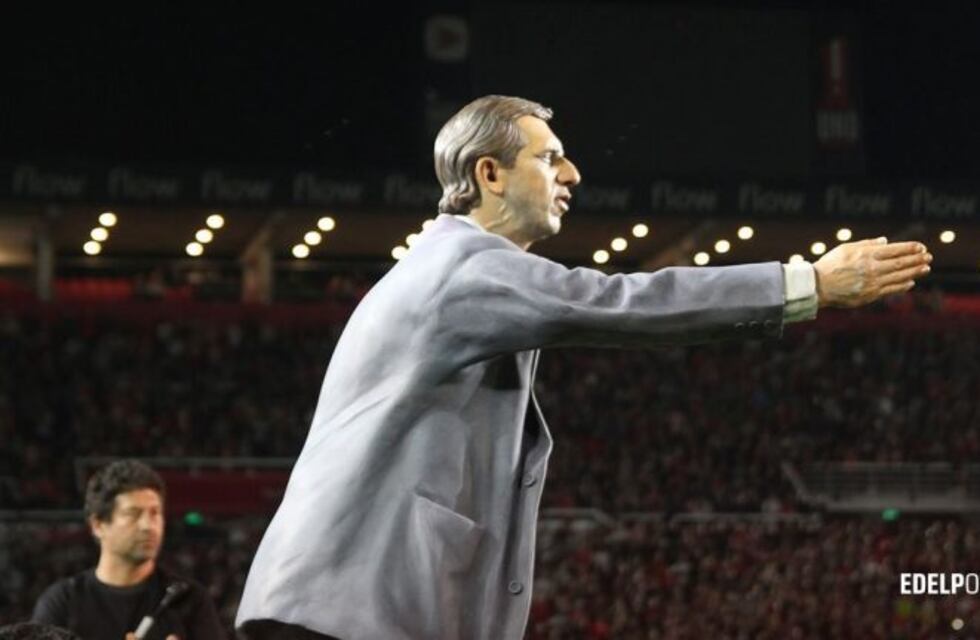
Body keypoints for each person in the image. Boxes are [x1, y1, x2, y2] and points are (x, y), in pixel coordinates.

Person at [236, 95, 932, 640]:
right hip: (346, 609)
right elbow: (620, 302)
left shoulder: (452, 270)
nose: (572, 175)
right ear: (489, 174)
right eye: (551, 158)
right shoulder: (462, 268)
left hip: (339, 603)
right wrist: (805, 281)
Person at [32, 460, 225, 640]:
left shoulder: (189, 600)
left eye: (154, 513)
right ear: (98, 525)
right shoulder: (62, 604)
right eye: (133, 514)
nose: (148, 525)